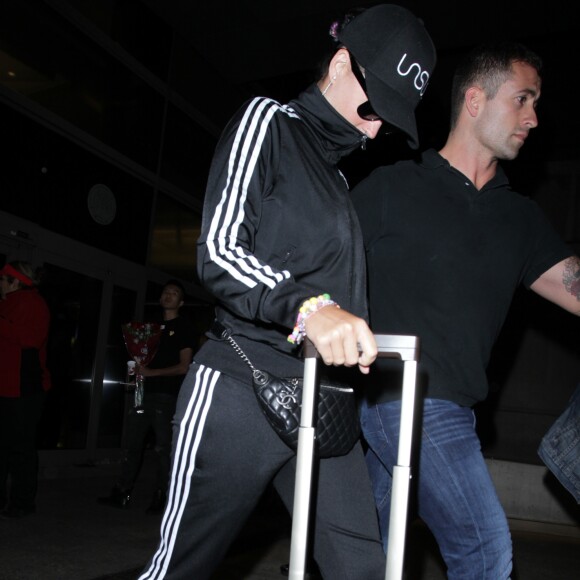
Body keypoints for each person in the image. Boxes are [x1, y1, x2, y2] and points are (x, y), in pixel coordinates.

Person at [138, 5, 436, 579]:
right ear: (342, 64)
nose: (375, 130)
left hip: (323, 402)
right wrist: (308, 307)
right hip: (240, 387)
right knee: (181, 569)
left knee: (362, 570)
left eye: (390, 122)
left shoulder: (341, 180)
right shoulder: (267, 123)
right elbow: (220, 249)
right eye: (374, 108)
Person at [351, 41, 580, 579]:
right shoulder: (392, 187)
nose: (534, 118)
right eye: (523, 100)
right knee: (483, 550)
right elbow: (318, 269)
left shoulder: (519, 219)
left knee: (364, 556)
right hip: (400, 399)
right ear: (475, 100)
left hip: (457, 411)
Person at [98, 280, 196, 514]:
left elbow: (185, 366)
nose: (168, 295)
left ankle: (162, 497)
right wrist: (138, 371)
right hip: (143, 391)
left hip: (166, 393)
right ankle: (122, 492)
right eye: (165, 292)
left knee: (163, 448)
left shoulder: (184, 327)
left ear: (181, 302)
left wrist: (152, 372)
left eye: (174, 293)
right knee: (132, 444)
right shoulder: (149, 327)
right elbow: (140, 357)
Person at [0, 261, 51, 519]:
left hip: (24, 388)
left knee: (21, 448)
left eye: (3, 279)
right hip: (6, 386)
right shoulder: (8, 303)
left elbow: (30, 339)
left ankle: (22, 503)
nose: (0, 283)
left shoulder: (33, 303)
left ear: (15, 281)